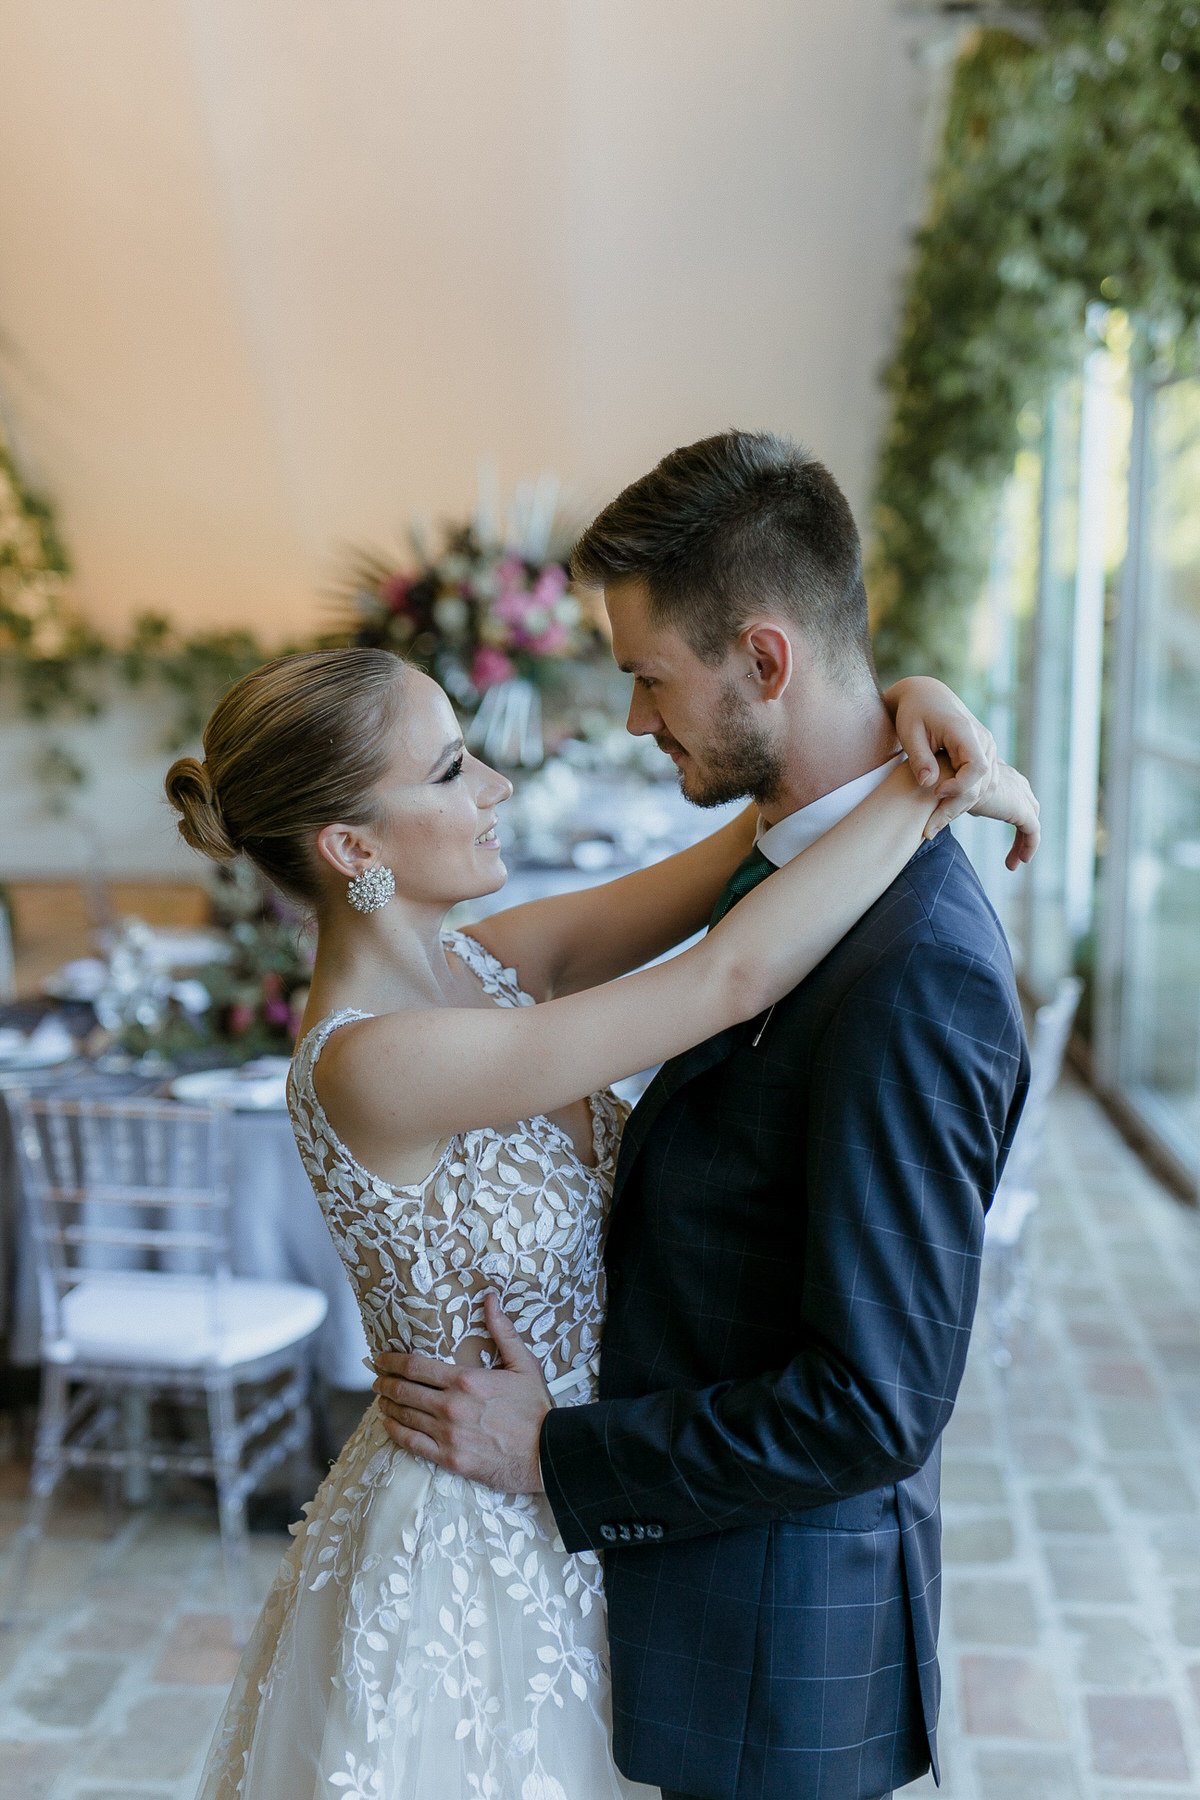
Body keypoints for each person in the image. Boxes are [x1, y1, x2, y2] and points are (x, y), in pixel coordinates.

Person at [170, 558, 1035, 1795]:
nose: (497, 784)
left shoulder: (489, 963)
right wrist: (943, 782)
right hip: (475, 1524)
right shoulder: (374, 1064)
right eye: (450, 771)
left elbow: (759, 838)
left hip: (591, 1492)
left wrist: (911, 703)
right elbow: (729, 975)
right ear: (352, 845)